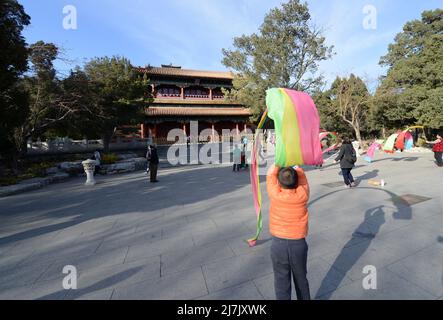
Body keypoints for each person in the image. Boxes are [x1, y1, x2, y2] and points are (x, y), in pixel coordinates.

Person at [267, 165, 311, 300]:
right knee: (301, 279)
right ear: (297, 182)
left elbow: (270, 175)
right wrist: (297, 166)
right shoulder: (303, 194)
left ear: (279, 183)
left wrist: (278, 163)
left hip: (278, 244)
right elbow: (303, 179)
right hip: (298, 244)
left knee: (281, 282)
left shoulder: (275, 194)